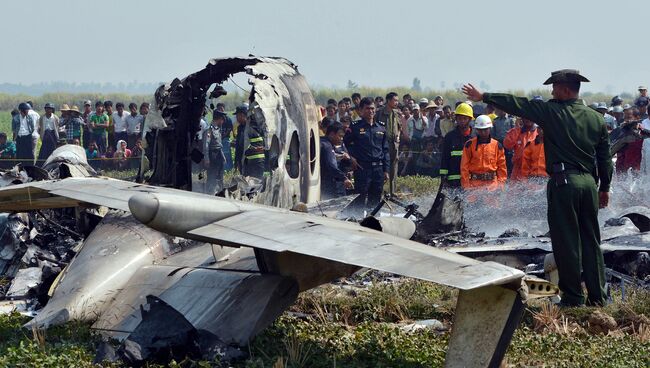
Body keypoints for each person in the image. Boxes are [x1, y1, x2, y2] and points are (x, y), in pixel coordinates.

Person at [462, 69, 613, 307]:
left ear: (564, 89)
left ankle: (573, 298)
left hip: (564, 184)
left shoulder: (552, 112)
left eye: (553, 87)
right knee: (591, 241)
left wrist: (484, 96)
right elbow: (604, 157)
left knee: (566, 242)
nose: (551, 91)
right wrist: (604, 188)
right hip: (589, 185)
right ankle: (598, 298)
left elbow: (518, 105)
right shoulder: (596, 118)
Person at [344, 97, 389, 212]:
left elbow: (385, 150)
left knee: (375, 199)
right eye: (367, 108)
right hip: (362, 168)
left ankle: (372, 223)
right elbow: (345, 144)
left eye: (372, 108)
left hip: (378, 169)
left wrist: (386, 170)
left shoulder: (381, 127)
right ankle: (357, 221)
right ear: (361, 110)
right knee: (360, 198)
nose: (371, 111)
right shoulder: (355, 126)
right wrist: (351, 157)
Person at [460, 115, 507, 190]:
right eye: (480, 130)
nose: (483, 132)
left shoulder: (497, 145)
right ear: (477, 130)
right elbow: (464, 167)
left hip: (492, 186)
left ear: (489, 129)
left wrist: (501, 184)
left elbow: (502, 166)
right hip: (474, 186)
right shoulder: (469, 145)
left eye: (485, 129)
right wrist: (466, 186)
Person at [439, 102, 474, 188]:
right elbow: (445, 158)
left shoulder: (475, 137)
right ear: (456, 119)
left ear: (469, 119)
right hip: (453, 180)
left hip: (471, 180)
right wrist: (443, 178)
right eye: (459, 118)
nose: (462, 121)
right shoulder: (449, 137)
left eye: (464, 118)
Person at [374, 92, 401, 195]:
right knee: (383, 167)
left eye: (397, 100)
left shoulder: (396, 113)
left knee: (394, 168)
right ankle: (380, 191)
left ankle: (392, 192)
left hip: (394, 144)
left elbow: (399, 127)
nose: (396, 102)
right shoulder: (379, 113)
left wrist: (398, 136)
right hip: (383, 144)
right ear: (388, 100)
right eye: (395, 100)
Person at [320, 123, 353, 199]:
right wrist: (344, 178)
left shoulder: (322, 141)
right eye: (340, 136)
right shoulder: (327, 146)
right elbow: (331, 165)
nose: (341, 139)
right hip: (328, 183)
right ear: (331, 134)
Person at [203, 111, 226, 194]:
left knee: (219, 176)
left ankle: (219, 192)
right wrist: (206, 159)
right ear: (219, 119)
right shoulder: (209, 129)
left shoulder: (218, 129)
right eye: (222, 120)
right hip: (212, 155)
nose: (222, 122)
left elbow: (219, 145)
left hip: (218, 155)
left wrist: (223, 157)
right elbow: (206, 144)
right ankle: (210, 193)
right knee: (212, 176)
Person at [215, 103, 234, 171]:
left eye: (221, 108)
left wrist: (222, 136)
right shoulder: (216, 119)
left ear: (224, 109)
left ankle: (228, 169)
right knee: (219, 155)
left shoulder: (228, 119)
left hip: (225, 139)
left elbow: (229, 130)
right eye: (219, 108)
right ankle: (221, 169)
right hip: (217, 140)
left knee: (227, 154)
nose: (220, 110)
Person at [234, 105, 248, 174]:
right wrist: (237, 161)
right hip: (240, 159)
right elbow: (239, 145)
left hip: (248, 160)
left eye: (237, 116)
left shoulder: (250, 127)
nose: (236, 118)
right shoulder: (240, 128)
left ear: (242, 115)